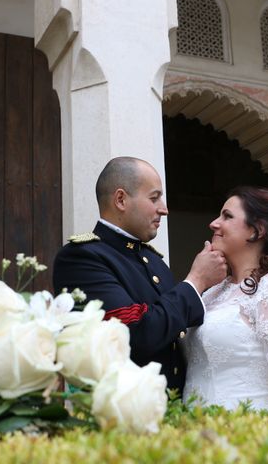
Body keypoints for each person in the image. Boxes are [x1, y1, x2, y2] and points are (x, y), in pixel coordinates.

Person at [52, 157, 227, 392]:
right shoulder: (82, 258)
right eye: (154, 198)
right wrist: (196, 281)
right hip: (122, 414)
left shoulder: (154, 261)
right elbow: (135, 335)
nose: (164, 209)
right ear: (121, 200)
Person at [184, 186, 268, 410]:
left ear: (256, 230)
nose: (214, 223)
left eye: (227, 216)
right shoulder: (213, 292)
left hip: (248, 436)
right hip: (194, 436)